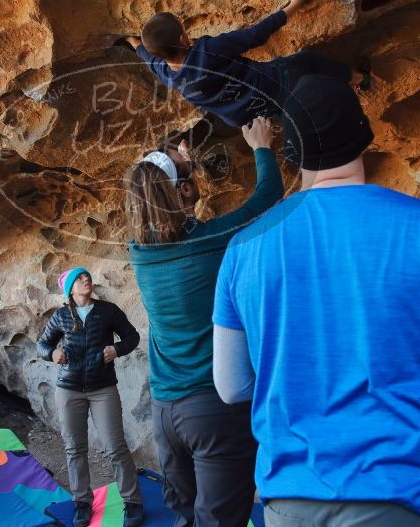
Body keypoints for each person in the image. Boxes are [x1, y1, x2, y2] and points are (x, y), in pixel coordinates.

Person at [212, 74, 420, 527]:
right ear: (365, 136)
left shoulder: (242, 250)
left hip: (291, 505)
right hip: (415, 499)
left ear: (292, 153)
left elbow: (232, 386)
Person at [123, 117, 283, 526]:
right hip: (210, 407)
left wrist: (178, 169)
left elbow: (156, 197)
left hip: (164, 408)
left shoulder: (139, 251)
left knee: (185, 515)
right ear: (176, 191)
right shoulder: (206, 240)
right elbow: (266, 198)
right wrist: (261, 147)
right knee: (221, 519)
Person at [125, 0, 370, 128]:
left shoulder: (166, 73)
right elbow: (255, 35)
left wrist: (130, 39)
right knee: (307, 60)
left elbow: (143, 52)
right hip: (271, 84)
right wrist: (294, 4)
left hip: (244, 114)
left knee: (282, 109)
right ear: (183, 38)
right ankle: (360, 79)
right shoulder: (208, 51)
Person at [37, 267, 144, 527]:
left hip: (103, 388)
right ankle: (82, 503)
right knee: (75, 449)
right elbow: (42, 344)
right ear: (70, 289)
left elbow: (132, 336)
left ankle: (132, 502)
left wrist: (116, 349)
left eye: (87, 277)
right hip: (69, 389)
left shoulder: (108, 311)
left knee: (115, 446)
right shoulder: (61, 316)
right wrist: (52, 355)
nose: (87, 280)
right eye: (80, 278)